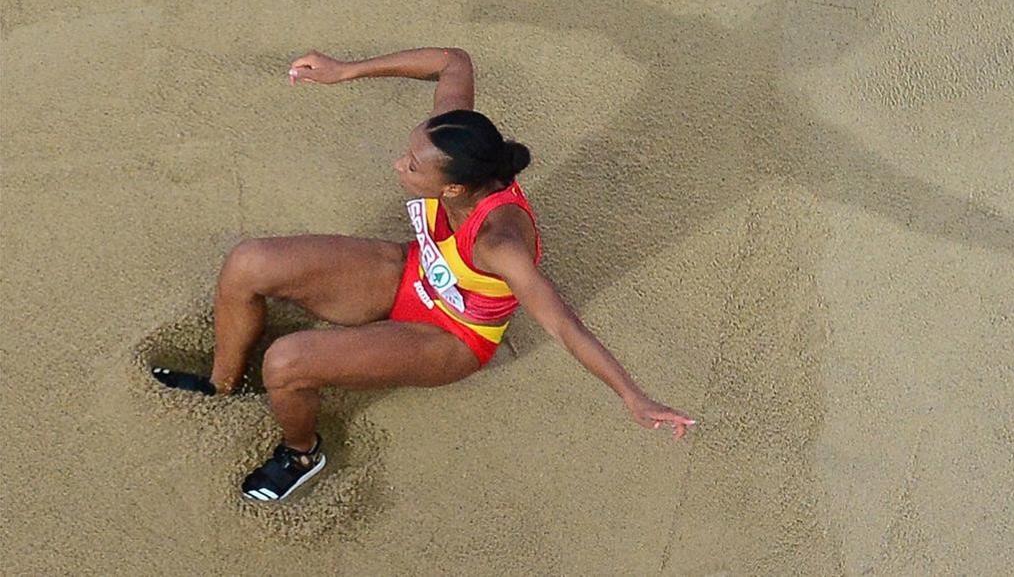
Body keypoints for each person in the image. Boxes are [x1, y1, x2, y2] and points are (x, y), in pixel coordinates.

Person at [152, 46, 697, 503]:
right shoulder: (455, 138)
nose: (400, 165)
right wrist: (346, 71)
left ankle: (301, 455)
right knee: (248, 261)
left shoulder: (500, 243)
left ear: (454, 189)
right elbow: (454, 62)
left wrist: (634, 396)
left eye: (413, 166)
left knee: (287, 361)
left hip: (451, 335)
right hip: (412, 272)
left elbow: (564, 326)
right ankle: (222, 382)